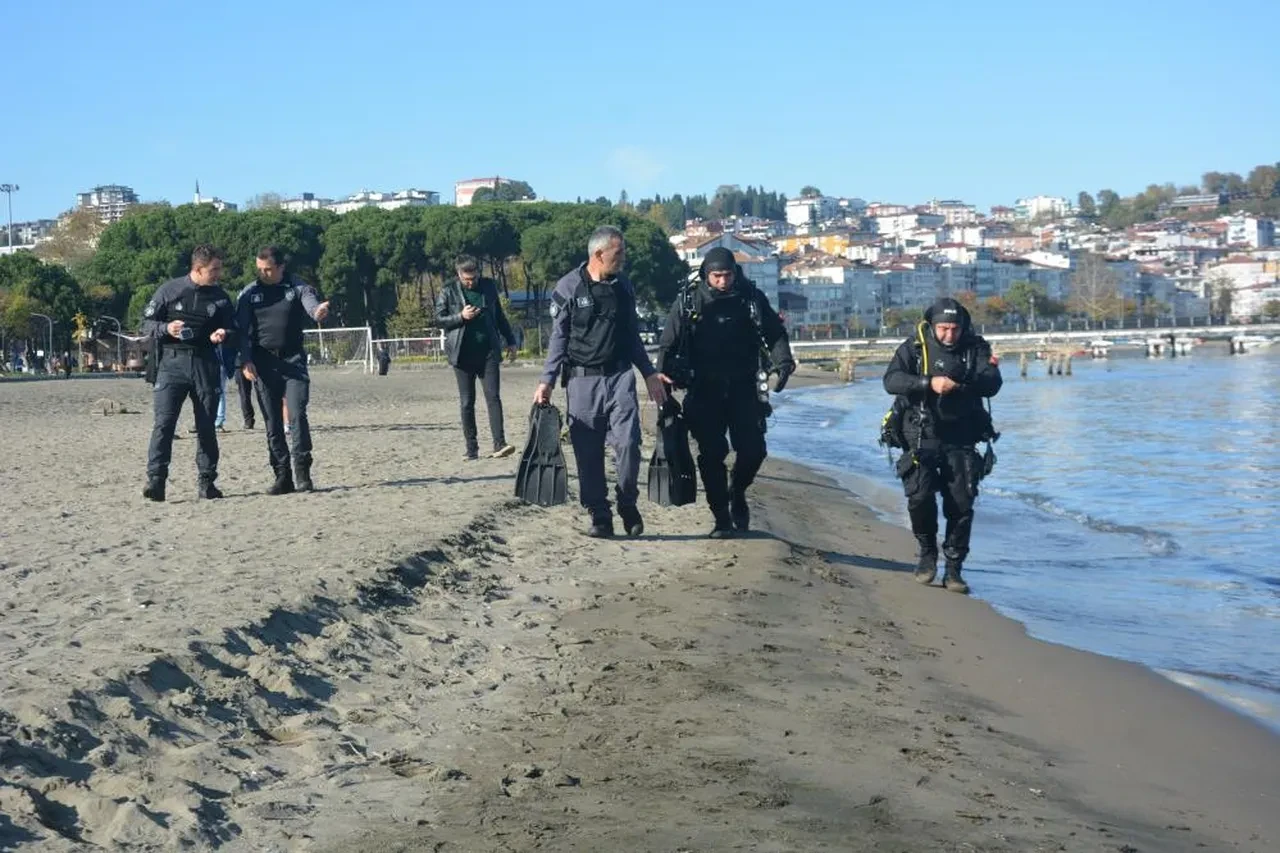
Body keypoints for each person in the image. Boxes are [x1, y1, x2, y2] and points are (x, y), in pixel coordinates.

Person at [534, 225, 668, 538]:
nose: (623, 260)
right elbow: (559, 338)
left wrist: (648, 373)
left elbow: (632, 336)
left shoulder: (624, 286)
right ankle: (600, 514)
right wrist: (547, 381)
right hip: (582, 382)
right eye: (618, 254)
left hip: (620, 377)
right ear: (599, 254)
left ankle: (627, 502)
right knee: (587, 452)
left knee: (629, 443)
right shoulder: (568, 287)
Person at [657, 247, 795, 537]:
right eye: (717, 276)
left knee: (754, 451)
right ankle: (721, 517)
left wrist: (783, 362)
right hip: (703, 390)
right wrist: (664, 382)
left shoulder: (751, 299)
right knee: (711, 455)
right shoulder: (689, 301)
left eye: (728, 275)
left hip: (744, 388)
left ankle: (738, 490)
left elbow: (774, 332)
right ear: (706, 275)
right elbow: (668, 344)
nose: (723, 281)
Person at [883, 297, 1002, 594]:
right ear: (932, 326)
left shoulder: (975, 347)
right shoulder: (915, 346)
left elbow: (992, 382)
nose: (950, 335)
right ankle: (927, 553)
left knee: (961, 505)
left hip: (962, 436)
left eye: (955, 329)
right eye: (944, 328)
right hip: (921, 433)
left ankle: (953, 568)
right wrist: (928, 383)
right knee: (919, 497)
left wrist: (962, 380)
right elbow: (891, 380)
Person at [140, 244, 236, 501]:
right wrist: (165, 328)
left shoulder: (221, 297)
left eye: (219, 269)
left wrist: (224, 334)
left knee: (206, 426)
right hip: (172, 364)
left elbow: (233, 328)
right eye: (213, 270)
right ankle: (156, 482)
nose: (218, 275)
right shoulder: (169, 290)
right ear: (198, 269)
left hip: (205, 363)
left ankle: (207, 483)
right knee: (163, 424)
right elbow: (146, 323)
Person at [237, 246, 330, 494]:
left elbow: (311, 305)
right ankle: (282, 475)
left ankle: (303, 472)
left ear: (281, 267)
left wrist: (317, 312)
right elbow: (241, 332)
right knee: (272, 423)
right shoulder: (249, 293)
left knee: (297, 414)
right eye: (259, 269)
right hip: (263, 364)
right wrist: (245, 361)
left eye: (268, 269)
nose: (263, 274)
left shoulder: (297, 287)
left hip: (293, 362)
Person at [435, 256, 518, 459]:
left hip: (488, 351)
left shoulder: (489, 287)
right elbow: (438, 319)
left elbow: (499, 315)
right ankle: (471, 449)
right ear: (459, 275)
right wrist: (460, 317)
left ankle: (500, 444)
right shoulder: (448, 291)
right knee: (466, 401)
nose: (471, 282)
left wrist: (510, 339)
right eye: (466, 279)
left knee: (493, 397)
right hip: (461, 354)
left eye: (474, 278)